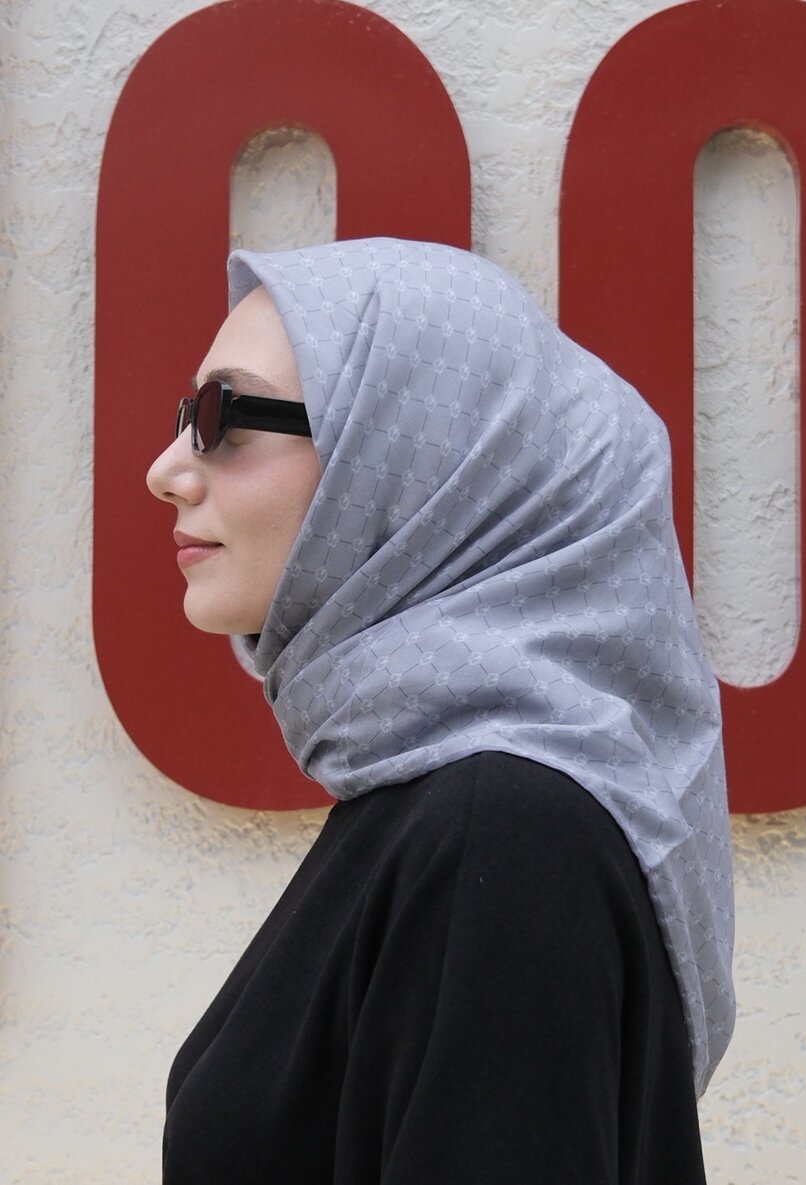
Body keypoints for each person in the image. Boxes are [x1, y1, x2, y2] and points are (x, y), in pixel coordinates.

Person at [146, 237, 734, 1184]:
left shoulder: (502, 834)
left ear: (404, 457)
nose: (168, 468)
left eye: (223, 417)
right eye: (186, 417)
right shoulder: (438, 810)